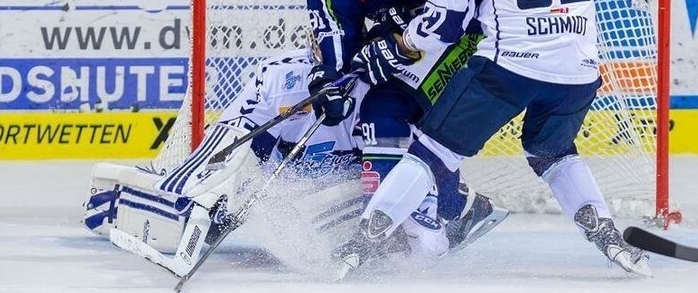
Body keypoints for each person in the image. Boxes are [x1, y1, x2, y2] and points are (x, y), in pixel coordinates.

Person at [340, 0, 652, 277]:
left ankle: (359, 244)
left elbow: (444, 27)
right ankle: (610, 241)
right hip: (579, 67)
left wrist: (397, 42)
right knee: (553, 152)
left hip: (510, 67)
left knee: (432, 151)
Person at [305, 0, 508, 268]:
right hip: (395, 46)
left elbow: (461, 5)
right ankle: (454, 209)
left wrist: (402, 44)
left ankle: (429, 215)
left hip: (451, 44)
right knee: (376, 119)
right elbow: (332, 23)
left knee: (400, 115)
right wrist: (329, 74)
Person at [82, 48, 451, 275]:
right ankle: (149, 201)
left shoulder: (385, 96)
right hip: (271, 174)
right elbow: (229, 138)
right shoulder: (279, 76)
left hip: (341, 189)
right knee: (196, 200)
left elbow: (403, 166)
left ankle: (454, 208)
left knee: (336, 233)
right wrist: (207, 190)